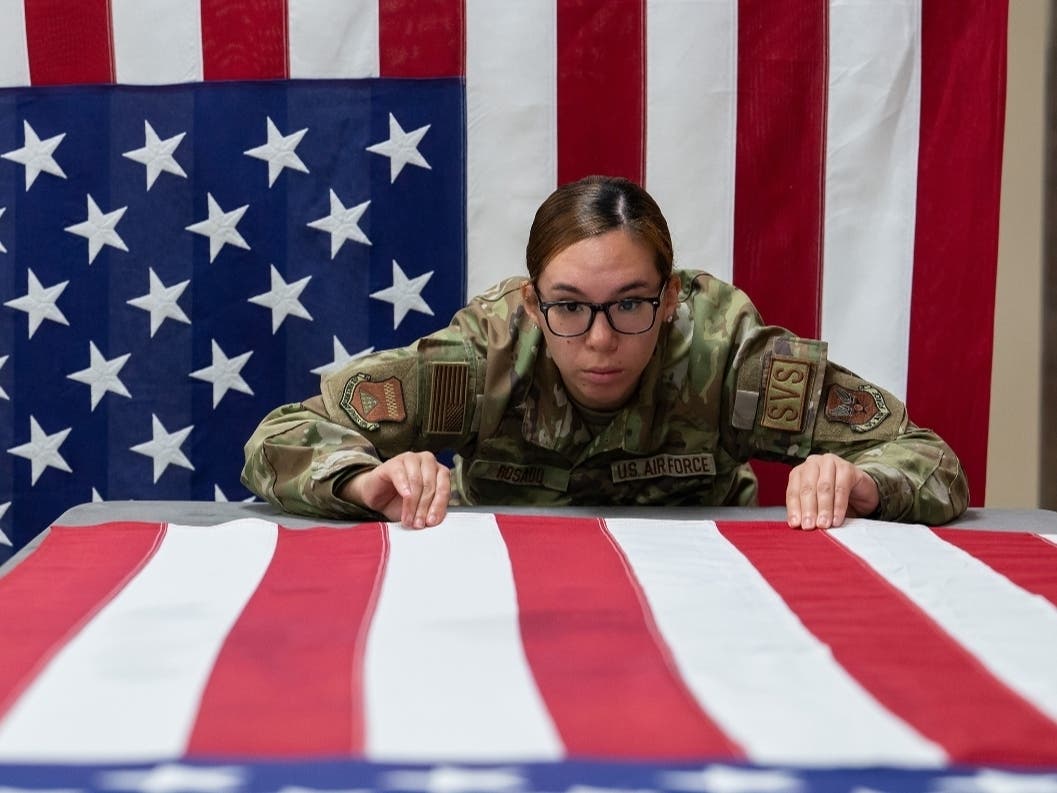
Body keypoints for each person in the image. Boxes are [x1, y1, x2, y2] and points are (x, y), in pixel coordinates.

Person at [242, 175, 968, 529]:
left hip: (709, 609)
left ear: (672, 296)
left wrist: (861, 481)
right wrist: (364, 480)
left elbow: (929, 458)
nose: (598, 338)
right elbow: (278, 437)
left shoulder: (723, 352)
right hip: (506, 603)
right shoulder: (486, 354)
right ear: (532, 303)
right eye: (567, 306)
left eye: (629, 303)